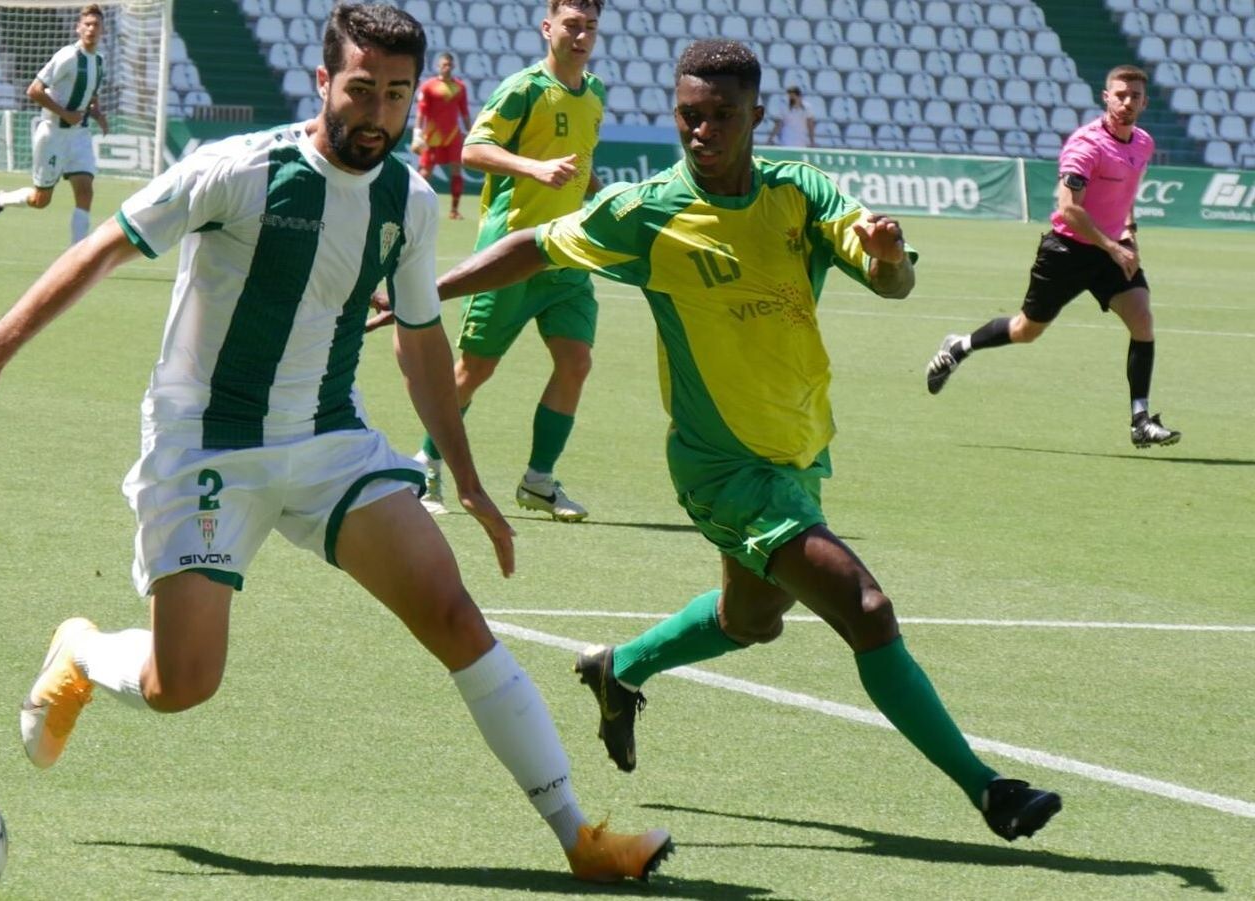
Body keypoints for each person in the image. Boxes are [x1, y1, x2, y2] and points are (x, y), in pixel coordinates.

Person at [0, 4, 671, 883]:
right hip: (207, 445)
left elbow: (421, 338)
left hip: (328, 438)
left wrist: (464, 478)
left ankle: (579, 835)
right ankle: (83, 649)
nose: (380, 114)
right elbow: (105, 251)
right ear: (324, 83)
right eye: (362, 89)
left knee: (454, 614)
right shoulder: (235, 170)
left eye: (396, 94)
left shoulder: (409, 199)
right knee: (182, 684)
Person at [431, 39, 1064, 844]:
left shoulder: (798, 194)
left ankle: (619, 669)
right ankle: (990, 789)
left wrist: (891, 257)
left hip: (798, 447)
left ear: (757, 115)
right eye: (689, 115)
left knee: (751, 618)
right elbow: (535, 246)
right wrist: (427, 288)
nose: (702, 130)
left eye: (721, 116)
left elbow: (889, 280)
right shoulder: (648, 210)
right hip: (721, 465)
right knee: (866, 608)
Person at [413, 0, 607, 521]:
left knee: (576, 362)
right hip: (511, 252)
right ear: (548, 28)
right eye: (571, 24)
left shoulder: (597, 93)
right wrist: (533, 168)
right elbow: (474, 149)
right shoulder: (524, 88)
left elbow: (581, 161)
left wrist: (602, 197)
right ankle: (424, 465)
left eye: (590, 26)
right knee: (475, 369)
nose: (581, 35)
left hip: (566, 252)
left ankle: (539, 481)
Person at [924, 65, 1180, 449]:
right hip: (1066, 251)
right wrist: (1111, 246)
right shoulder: (1086, 145)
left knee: (1142, 319)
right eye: (1120, 95)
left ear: (1144, 102)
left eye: (1135, 97)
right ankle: (959, 346)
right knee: (1027, 330)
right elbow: (1069, 207)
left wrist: (1128, 235)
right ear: (1105, 97)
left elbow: (1127, 197)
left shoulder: (1142, 143)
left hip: (1109, 250)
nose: (1127, 103)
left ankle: (1140, 419)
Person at [0, 4, 111, 246]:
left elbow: (91, 95)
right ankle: (2, 199)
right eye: (87, 25)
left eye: (96, 25)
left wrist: (97, 113)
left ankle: (76, 256)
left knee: (85, 192)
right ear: (78, 29)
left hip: (79, 135)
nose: (91, 29)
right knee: (41, 200)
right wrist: (64, 113)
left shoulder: (100, 62)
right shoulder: (67, 57)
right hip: (52, 134)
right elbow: (34, 90)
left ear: (103, 30)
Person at [412, 51, 472, 219]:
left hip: (453, 136)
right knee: (425, 173)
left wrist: (471, 132)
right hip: (432, 136)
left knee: (456, 171)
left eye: (449, 65)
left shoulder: (460, 87)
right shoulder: (428, 86)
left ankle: (454, 210)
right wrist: (417, 133)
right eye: (443, 64)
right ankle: (414, 206)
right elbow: (421, 112)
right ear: (438, 66)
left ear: (453, 66)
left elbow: (465, 112)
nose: (446, 67)